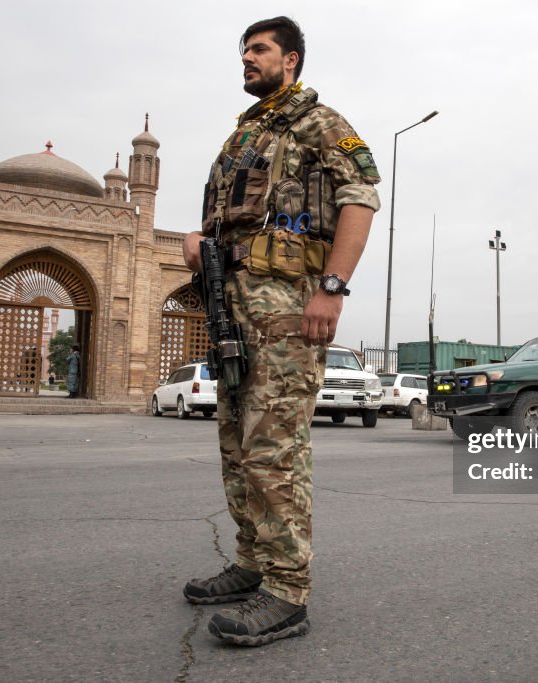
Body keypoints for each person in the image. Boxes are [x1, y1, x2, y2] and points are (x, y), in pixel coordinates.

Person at [180, 16, 380, 646]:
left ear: (290, 59)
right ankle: (251, 562)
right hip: (233, 305)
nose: (247, 58)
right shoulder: (244, 133)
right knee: (237, 442)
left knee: (274, 445)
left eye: (259, 50)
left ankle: (287, 592)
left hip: (290, 305)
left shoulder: (321, 123)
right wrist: (200, 241)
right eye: (243, 51)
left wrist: (332, 288)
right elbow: (233, 212)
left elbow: (362, 198)